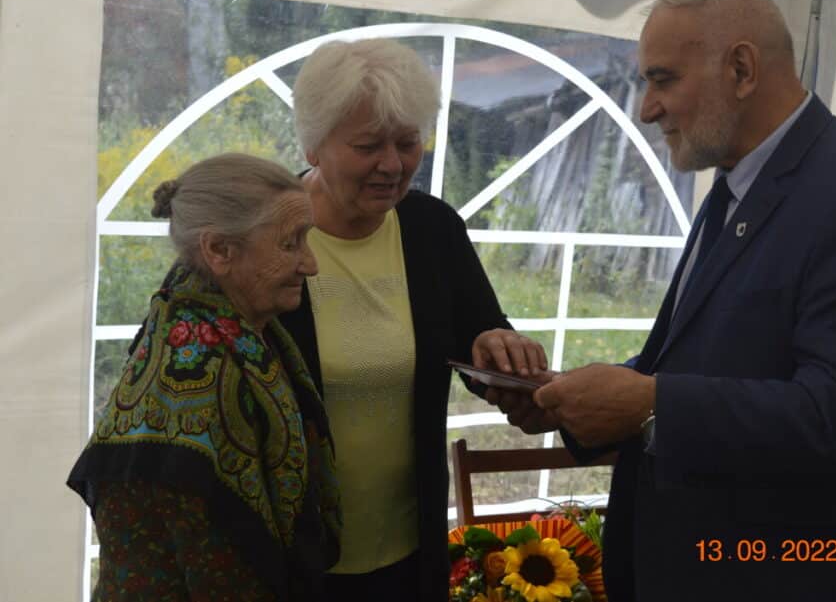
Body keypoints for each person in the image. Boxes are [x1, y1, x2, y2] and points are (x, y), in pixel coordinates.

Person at [489, 0, 836, 601]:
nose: (646, 108)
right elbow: (706, 362)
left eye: (663, 80)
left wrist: (650, 404)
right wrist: (572, 400)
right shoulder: (738, 184)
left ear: (741, 70)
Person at [279, 38, 548, 600]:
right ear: (313, 144)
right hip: (290, 558)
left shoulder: (433, 229)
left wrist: (502, 351)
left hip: (408, 551)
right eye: (367, 146)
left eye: (407, 142)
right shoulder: (267, 236)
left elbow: (479, 339)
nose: (393, 164)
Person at [68, 153, 342, 601]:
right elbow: (226, 577)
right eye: (290, 244)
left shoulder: (203, 326)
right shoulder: (200, 382)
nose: (310, 264)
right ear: (218, 251)